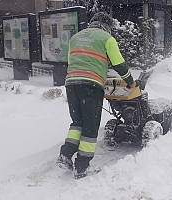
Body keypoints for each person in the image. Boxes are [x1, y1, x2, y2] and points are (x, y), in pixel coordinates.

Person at [56, 12, 137, 179]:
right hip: (91, 86)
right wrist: (130, 82)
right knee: (90, 127)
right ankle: (81, 167)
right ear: (108, 26)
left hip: (71, 83)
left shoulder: (75, 38)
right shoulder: (107, 38)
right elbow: (119, 64)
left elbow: (73, 62)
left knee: (77, 122)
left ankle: (65, 154)